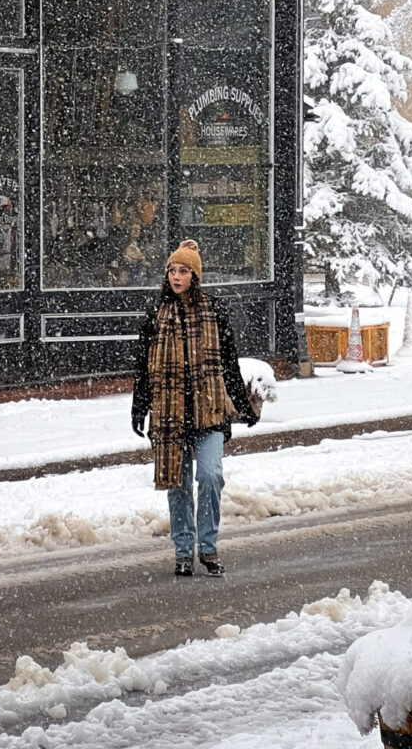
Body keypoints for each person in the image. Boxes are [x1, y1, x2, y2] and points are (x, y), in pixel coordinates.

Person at [131, 238, 259, 577]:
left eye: (183, 271)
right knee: (178, 485)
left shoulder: (214, 311)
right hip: (170, 414)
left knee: (211, 475)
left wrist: (243, 406)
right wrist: (138, 407)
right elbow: (143, 367)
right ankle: (184, 550)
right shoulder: (156, 314)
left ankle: (208, 545)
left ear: (195, 276)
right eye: (172, 270)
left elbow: (229, 364)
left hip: (210, 411)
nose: (176, 276)